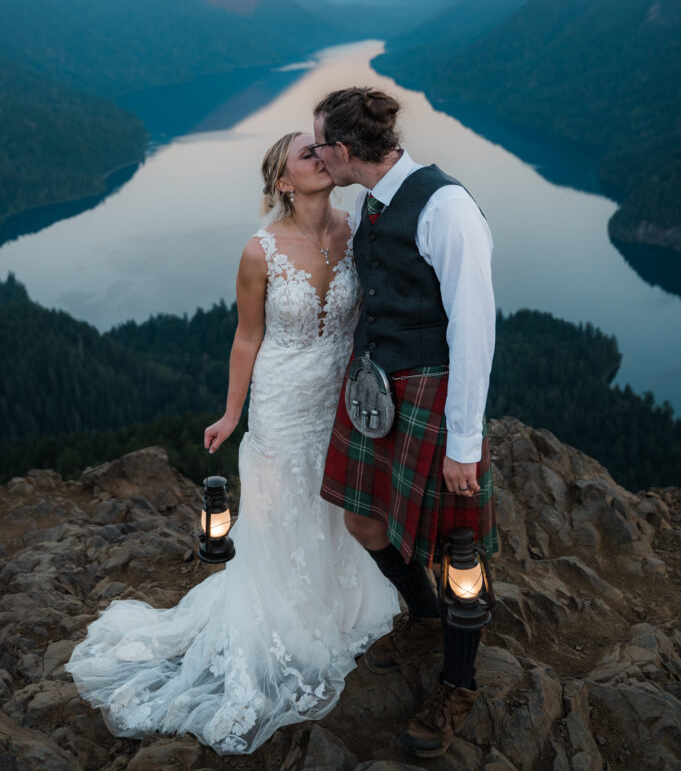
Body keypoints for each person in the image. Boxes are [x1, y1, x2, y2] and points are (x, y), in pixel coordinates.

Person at [66, 131, 399, 755]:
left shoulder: (359, 229)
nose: (321, 156)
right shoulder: (259, 251)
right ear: (282, 181)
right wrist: (231, 412)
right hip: (282, 399)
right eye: (307, 153)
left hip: (340, 397)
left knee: (336, 501)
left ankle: (337, 599)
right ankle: (286, 622)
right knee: (282, 505)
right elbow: (247, 338)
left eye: (323, 148)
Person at [312, 87, 498, 760]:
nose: (313, 155)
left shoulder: (445, 208)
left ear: (341, 149)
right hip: (375, 390)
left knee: (459, 557)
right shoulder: (372, 199)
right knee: (362, 519)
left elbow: (474, 331)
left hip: (431, 395)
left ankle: (458, 683)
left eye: (317, 145)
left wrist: (463, 445)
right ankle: (420, 616)